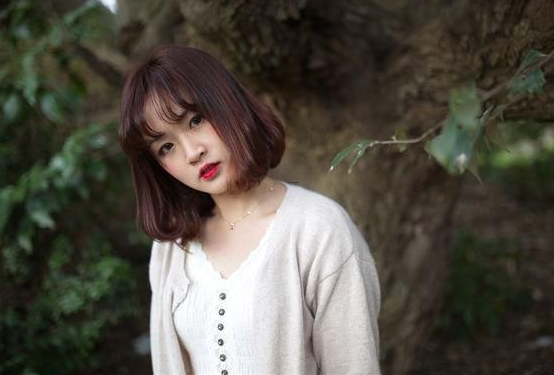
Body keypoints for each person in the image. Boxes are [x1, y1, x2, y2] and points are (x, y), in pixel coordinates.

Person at [119, 45, 381, 375]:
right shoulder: (172, 250)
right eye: (166, 147)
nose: (192, 152)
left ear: (226, 103)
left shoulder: (319, 229)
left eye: (196, 121)